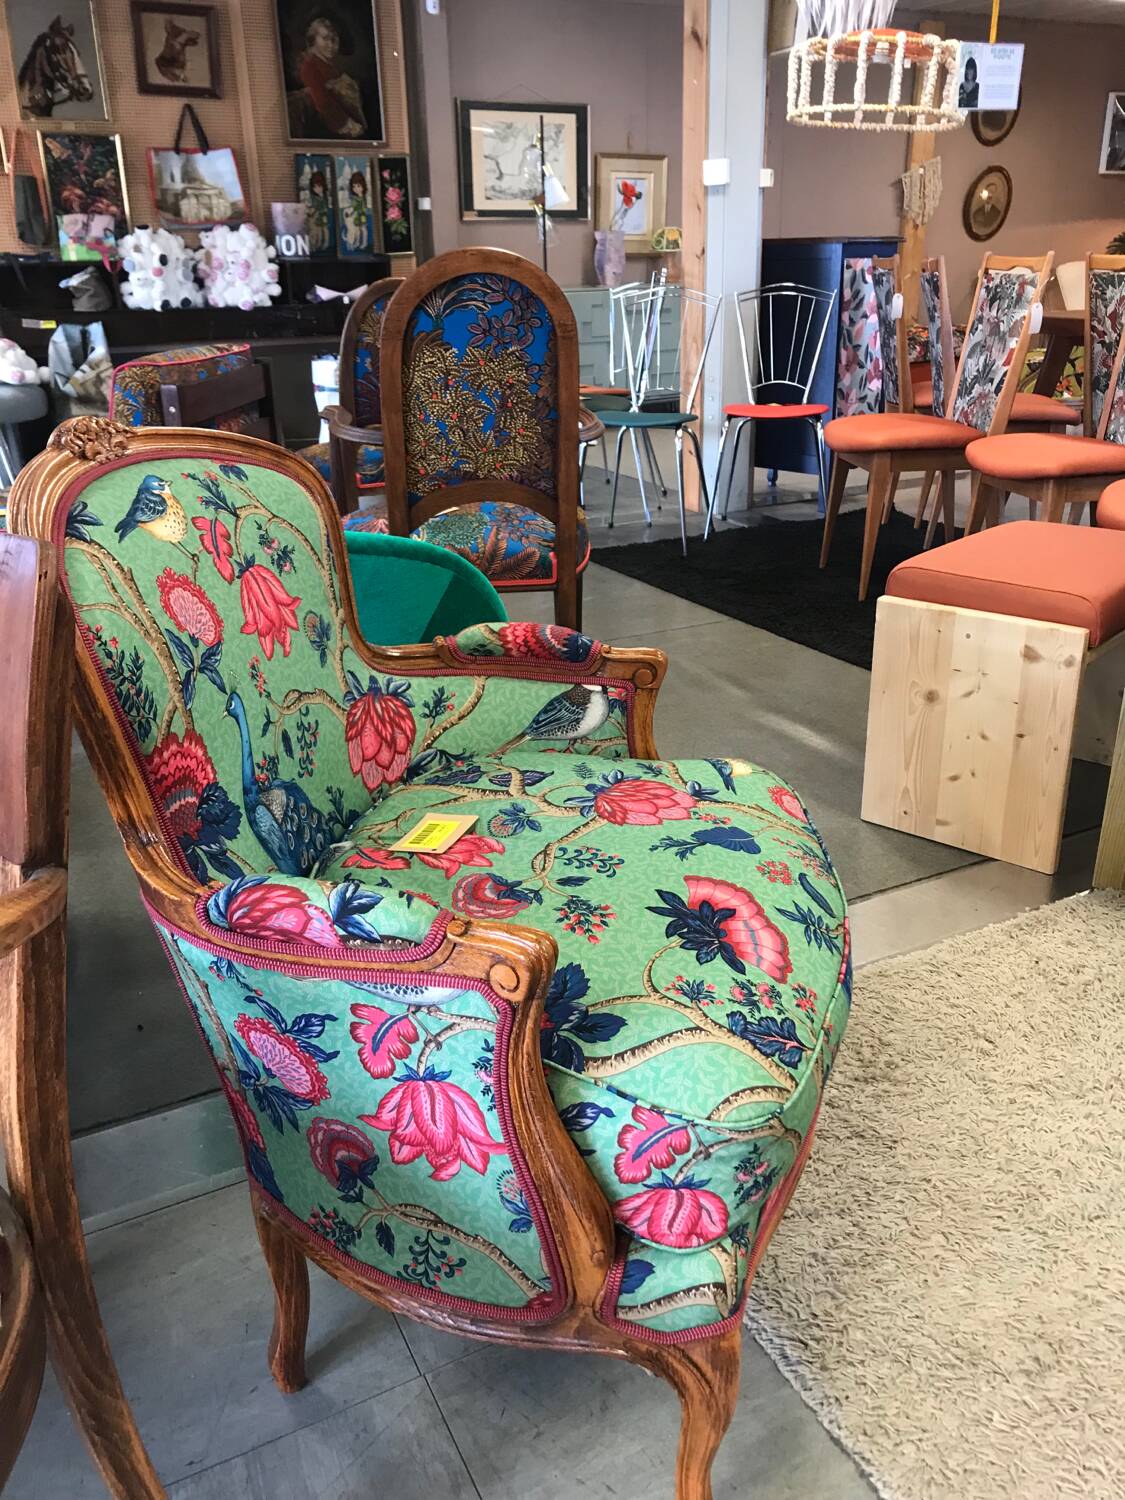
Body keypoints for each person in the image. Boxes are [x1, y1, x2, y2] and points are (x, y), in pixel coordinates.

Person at [289, 17, 365, 139]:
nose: (331, 45)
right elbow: (323, 103)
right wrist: (348, 124)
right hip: (326, 129)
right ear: (313, 39)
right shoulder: (309, 67)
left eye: (334, 39)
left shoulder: (329, 65)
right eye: (325, 38)